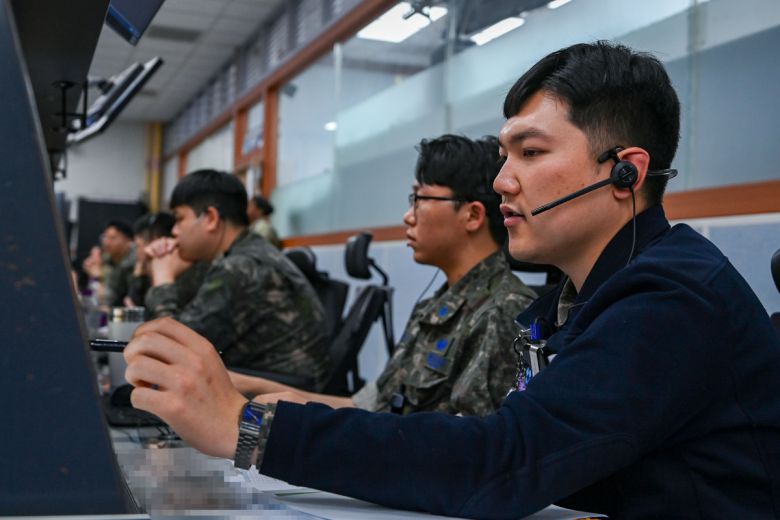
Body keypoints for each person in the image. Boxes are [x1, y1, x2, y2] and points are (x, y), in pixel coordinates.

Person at [124, 42, 780, 519]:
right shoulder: (581, 299)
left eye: (531, 152)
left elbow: (504, 461)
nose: (501, 181)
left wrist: (247, 428)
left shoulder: (671, 299)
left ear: (624, 173)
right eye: (504, 155)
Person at [229, 134, 536, 417]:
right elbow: (371, 407)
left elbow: (465, 446)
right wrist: (257, 388)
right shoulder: (436, 306)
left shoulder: (502, 313)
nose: (407, 216)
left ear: (472, 215)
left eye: (419, 199)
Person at [143, 169, 329, 384]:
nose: (174, 231)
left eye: (179, 219)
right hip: (266, 380)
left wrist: (163, 279)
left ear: (211, 219)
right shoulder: (243, 253)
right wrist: (160, 267)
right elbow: (187, 309)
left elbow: (173, 351)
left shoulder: (241, 267)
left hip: (281, 392)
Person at [125, 212, 209, 309]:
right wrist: (139, 274)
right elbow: (132, 304)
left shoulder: (188, 272)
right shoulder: (146, 270)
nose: (136, 253)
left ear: (156, 240)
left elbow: (160, 314)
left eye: (138, 246)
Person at [82, 219, 136, 307]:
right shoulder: (106, 258)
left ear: (128, 241)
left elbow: (111, 298)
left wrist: (97, 277)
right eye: (105, 237)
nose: (107, 242)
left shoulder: (133, 263)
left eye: (113, 238)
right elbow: (90, 295)